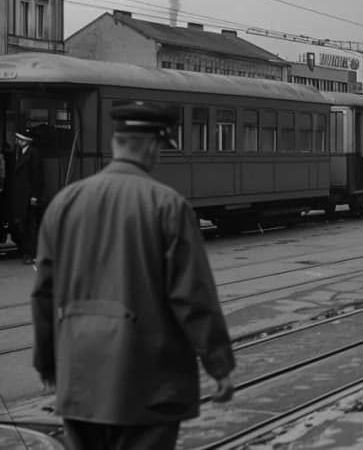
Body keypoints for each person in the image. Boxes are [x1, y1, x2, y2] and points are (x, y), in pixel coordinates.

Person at [31, 103, 236, 450]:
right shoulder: (167, 206)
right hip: (147, 384)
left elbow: (44, 294)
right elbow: (192, 297)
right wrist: (220, 366)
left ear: (117, 142)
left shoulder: (64, 203)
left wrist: (48, 365)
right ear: (153, 145)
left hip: (79, 380)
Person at [10, 129, 44, 265]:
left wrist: (35, 196)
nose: (16, 141)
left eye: (18, 139)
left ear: (24, 140)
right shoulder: (22, 153)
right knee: (24, 225)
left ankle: (31, 253)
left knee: (29, 225)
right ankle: (27, 252)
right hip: (21, 196)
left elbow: (37, 177)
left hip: (28, 196)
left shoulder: (33, 154)